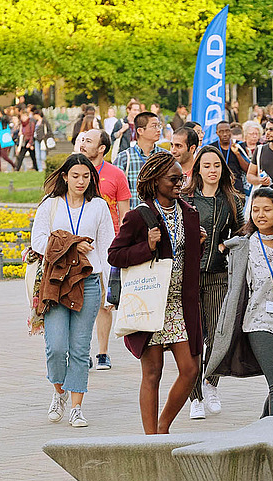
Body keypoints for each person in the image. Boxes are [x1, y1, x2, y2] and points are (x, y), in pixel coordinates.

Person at [107, 152, 206, 434]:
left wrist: (198, 244)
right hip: (150, 302)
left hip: (179, 304)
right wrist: (146, 247)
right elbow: (114, 255)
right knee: (153, 373)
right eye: (174, 179)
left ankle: (163, 426)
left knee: (190, 369)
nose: (179, 183)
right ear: (155, 181)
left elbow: (188, 262)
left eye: (182, 178)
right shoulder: (139, 216)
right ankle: (151, 438)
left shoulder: (190, 212)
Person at [209, 188, 273, 417]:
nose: (260, 215)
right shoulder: (244, 245)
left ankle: (263, 429)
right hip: (258, 322)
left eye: (267, 209)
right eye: (255, 210)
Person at [31, 154, 115, 428]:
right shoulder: (50, 205)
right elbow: (39, 241)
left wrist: (108, 285)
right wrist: (71, 245)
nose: (80, 181)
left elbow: (106, 246)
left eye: (86, 176)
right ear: (65, 177)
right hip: (56, 283)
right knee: (55, 347)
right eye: (75, 176)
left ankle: (77, 407)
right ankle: (59, 393)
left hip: (88, 281)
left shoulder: (99, 206)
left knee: (79, 348)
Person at [181, 145, 245, 420]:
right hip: (188, 278)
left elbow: (245, 233)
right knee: (193, 338)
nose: (212, 171)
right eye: (206, 166)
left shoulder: (231, 199)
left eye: (216, 166)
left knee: (219, 336)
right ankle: (194, 397)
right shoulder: (186, 199)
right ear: (197, 169)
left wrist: (223, 246)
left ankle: (210, 383)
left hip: (219, 276)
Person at [79, 129, 131, 370]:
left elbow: (124, 214)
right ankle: (82, 351)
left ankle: (102, 352)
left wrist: (123, 244)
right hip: (79, 246)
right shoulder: (73, 172)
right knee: (78, 300)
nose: (83, 143)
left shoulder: (116, 175)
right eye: (83, 140)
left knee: (103, 302)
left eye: (88, 140)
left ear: (101, 148)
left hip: (108, 247)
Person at [115, 111, 169, 207]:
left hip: (160, 216)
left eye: (159, 126)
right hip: (134, 215)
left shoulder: (165, 156)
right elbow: (116, 190)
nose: (158, 130)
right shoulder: (124, 158)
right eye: (154, 126)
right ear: (140, 131)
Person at [211, 120, 250, 194]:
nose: (225, 134)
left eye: (227, 131)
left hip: (236, 187)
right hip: (218, 188)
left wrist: (237, 154)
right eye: (221, 131)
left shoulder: (239, 145)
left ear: (231, 132)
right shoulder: (212, 148)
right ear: (217, 133)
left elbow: (247, 169)